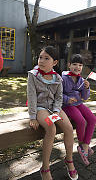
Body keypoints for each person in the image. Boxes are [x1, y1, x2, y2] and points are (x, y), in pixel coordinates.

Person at [27, 46, 78, 180]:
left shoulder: (57, 78)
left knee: (68, 127)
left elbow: (59, 98)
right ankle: (45, 168)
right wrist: (33, 117)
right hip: (40, 108)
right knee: (51, 127)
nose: (41, 61)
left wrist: (56, 111)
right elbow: (31, 97)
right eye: (40, 57)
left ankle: (69, 160)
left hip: (54, 108)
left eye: (46, 58)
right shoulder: (33, 75)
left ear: (54, 62)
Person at [62, 54, 96, 166]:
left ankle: (85, 145)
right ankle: (82, 144)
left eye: (80, 65)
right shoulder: (63, 78)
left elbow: (85, 97)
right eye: (75, 64)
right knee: (81, 121)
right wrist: (67, 99)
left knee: (92, 119)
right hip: (68, 106)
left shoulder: (81, 79)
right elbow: (57, 94)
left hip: (79, 103)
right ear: (69, 65)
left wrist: (86, 88)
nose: (77, 67)